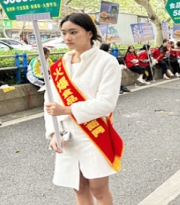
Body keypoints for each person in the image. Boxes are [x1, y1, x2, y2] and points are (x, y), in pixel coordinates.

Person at [44, 13, 123, 205]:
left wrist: (68, 110)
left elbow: (106, 103)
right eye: (63, 33)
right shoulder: (59, 67)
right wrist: (54, 132)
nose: (67, 38)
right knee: (78, 187)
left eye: (73, 32)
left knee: (99, 189)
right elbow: (50, 102)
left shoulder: (106, 62)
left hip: (95, 133)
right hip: (67, 135)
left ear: (89, 33)